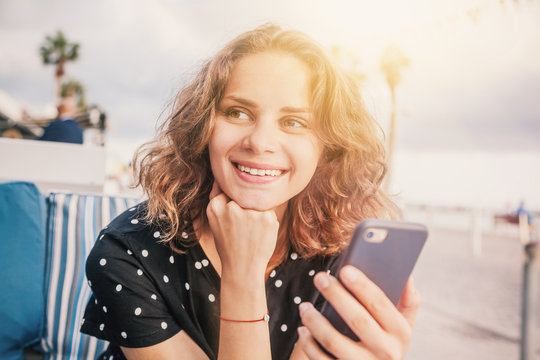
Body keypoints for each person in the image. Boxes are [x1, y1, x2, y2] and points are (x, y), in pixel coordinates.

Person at [81, 24, 421, 359]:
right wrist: (243, 272)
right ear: (203, 126)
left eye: (294, 122)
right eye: (238, 112)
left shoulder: (342, 255)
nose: (259, 142)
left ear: (328, 147)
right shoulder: (127, 253)